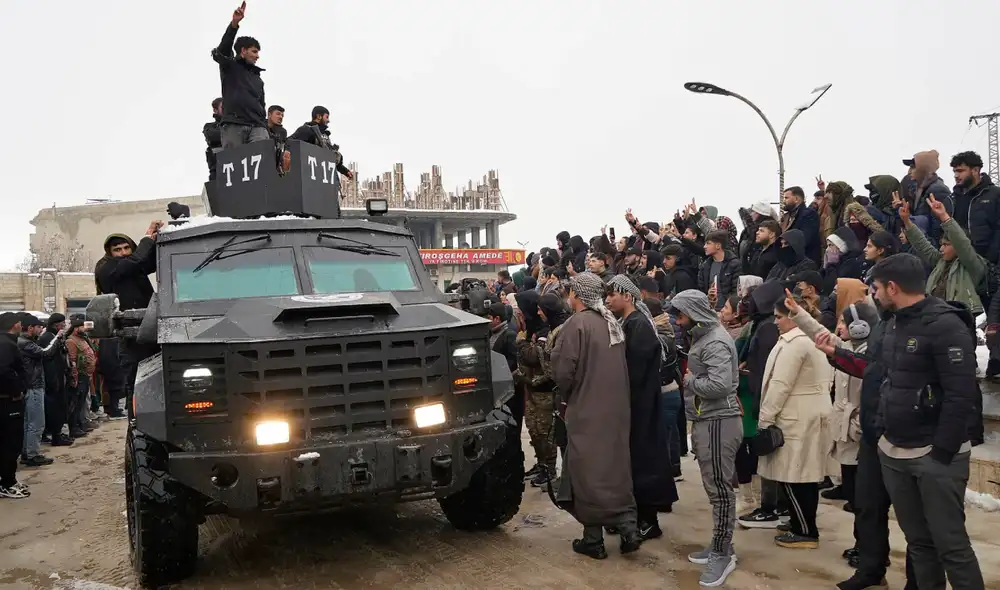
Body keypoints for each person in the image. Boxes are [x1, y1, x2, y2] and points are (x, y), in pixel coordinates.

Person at [868, 253, 984, 589]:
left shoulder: (945, 325)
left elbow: (961, 395)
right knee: (919, 545)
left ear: (893, 287)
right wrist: (881, 433)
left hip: (935, 455)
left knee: (952, 546)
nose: (874, 295)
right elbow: (887, 380)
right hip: (896, 451)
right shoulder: (893, 322)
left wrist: (941, 456)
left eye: (876, 288)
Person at [551, 273, 641, 559]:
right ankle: (629, 529)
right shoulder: (611, 322)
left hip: (587, 410)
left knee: (587, 471)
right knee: (616, 468)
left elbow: (563, 372)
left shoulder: (577, 324)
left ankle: (593, 539)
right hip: (616, 410)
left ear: (577, 296)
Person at [669, 289, 741, 587]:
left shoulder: (715, 342)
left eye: (681, 314)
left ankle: (723, 554)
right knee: (716, 488)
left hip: (718, 422)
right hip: (707, 420)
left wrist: (688, 380)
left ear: (694, 313)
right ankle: (721, 544)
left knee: (721, 491)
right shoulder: (704, 336)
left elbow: (720, 385)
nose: (678, 320)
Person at [606, 276, 678, 539]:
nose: (608, 299)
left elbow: (634, 370)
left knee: (645, 461)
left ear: (628, 296)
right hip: (633, 405)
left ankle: (648, 520)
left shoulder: (638, 324)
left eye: (613, 294)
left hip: (642, 406)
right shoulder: (628, 322)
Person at [94, 223, 162, 416]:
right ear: (109, 253)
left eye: (126, 248)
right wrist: (147, 238)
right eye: (117, 250)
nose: (123, 253)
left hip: (153, 327)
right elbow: (136, 260)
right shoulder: (106, 268)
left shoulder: (133, 266)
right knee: (137, 382)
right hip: (132, 334)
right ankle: (137, 423)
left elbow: (152, 260)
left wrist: (162, 236)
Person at [212, 3, 268, 149]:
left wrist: (264, 124)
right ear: (243, 51)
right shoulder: (230, 66)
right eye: (254, 51)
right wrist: (234, 24)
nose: (257, 56)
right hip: (234, 125)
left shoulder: (258, 79)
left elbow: (262, 104)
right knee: (235, 166)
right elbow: (223, 50)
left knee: (262, 162)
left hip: (257, 127)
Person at [17, 314, 68, 467]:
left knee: (29, 423)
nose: (41, 330)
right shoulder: (25, 343)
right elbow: (46, 353)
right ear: (30, 328)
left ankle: (28, 452)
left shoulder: (24, 342)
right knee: (36, 423)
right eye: (38, 327)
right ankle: (32, 454)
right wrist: (57, 338)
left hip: (31, 386)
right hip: (33, 386)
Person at [0, 313, 29, 498]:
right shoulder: (5, 344)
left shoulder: (7, 342)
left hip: (7, 399)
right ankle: (7, 483)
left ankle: (7, 479)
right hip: (7, 401)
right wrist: (17, 390)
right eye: (19, 322)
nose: (21, 325)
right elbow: (3, 371)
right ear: (14, 324)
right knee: (10, 442)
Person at [37, 314, 73, 446]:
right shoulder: (48, 338)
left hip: (59, 377)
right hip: (53, 379)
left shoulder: (54, 337)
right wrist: (55, 380)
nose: (64, 326)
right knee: (54, 407)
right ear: (56, 325)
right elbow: (48, 356)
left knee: (60, 406)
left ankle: (56, 433)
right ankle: (55, 436)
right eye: (62, 323)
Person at [698, 230, 742, 311]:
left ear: (718, 245)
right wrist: (708, 295)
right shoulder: (705, 266)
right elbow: (701, 289)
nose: (704, 246)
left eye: (708, 243)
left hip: (727, 312)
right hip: (710, 310)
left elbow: (736, 291)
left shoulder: (734, 264)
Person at [780, 186, 821, 265]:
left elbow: (805, 239)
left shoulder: (809, 214)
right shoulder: (786, 217)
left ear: (796, 199)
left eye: (786, 198)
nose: (784, 201)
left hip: (805, 261)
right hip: (789, 261)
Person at [203, 97, 223, 180]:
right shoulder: (210, 127)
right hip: (217, 171)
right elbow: (213, 136)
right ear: (215, 110)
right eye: (222, 107)